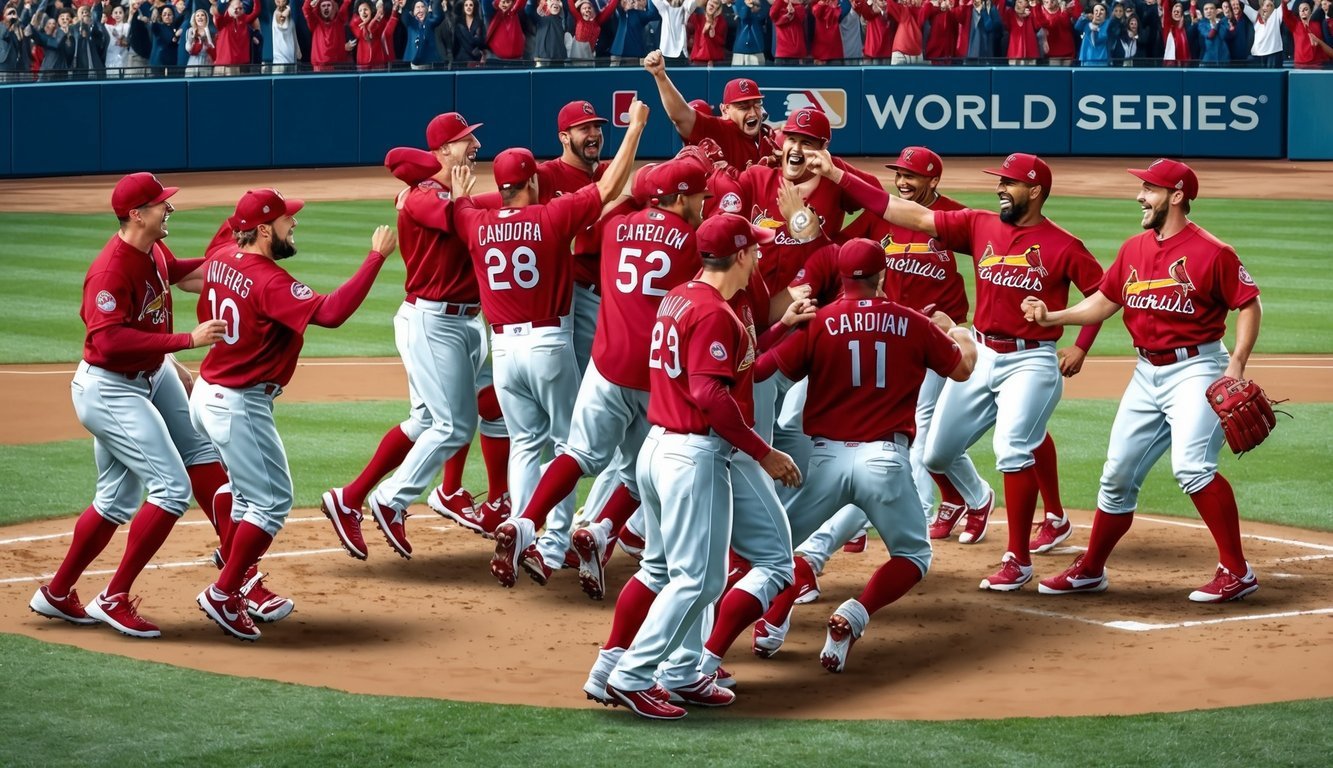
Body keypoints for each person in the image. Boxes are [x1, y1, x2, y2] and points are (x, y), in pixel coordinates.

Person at [810, 151, 1105, 592]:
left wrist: (1073, 337)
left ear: (1036, 191)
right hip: (982, 352)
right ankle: (998, 506)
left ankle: (1017, 558)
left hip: (1032, 359)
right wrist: (837, 174)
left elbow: (1103, 295)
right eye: (1000, 182)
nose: (1000, 188)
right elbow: (904, 212)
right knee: (935, 455)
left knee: (1012, 449)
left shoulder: (1064, 244)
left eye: (1009, 183)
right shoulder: (980, 224)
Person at [586, 214, 801, 720]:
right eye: (757, 250)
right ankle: (632, 676)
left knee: (680, 567)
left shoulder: (681, 294)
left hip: (664, 448)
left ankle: (681, 672)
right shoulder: (713, 314)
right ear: (742, 254)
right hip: (692, 452)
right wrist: (762, 451)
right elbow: (709, 394)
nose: (761, 258)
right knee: (697, 580)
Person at [1024, 159, 1264, 603]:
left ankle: (1237, 570)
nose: (1140, 196)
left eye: (1150, 189)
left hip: (1197, 369)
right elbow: (1103, 301)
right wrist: (1053, 316)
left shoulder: (1214, 252)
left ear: (1176, 196)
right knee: (1116, 475)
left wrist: (1236, 368)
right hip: (1145, 373)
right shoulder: (1134, 248)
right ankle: (1091, 569)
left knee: (1192, 467)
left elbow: (1248, 305)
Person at [28, 173, 235, 639]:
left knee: (130, 491)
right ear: (136, 215)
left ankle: (58, 593)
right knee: (170, 489)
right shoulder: (111, 270)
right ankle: (114, 596)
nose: (170, 210)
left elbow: (184, 275)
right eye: (161, 205)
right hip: (110, 389)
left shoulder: (154, 250)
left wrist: (236, 265)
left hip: (150, 374)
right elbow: (108, 339)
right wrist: (185, 341)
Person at [757, 239, 977, 672]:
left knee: (777, 549)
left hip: (823, 461)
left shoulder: (818, 322)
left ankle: (771, 621)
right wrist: (960, 332)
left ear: (840, 277)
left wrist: (783, 327)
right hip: (885, 461)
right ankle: (855, 614)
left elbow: (766, 371)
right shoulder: (913, 323)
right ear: (883, 277)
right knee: (913, 556)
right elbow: (963, 368)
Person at [491, 158, 706, 597]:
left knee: (576, 453)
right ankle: (605, 529)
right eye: (699, 196)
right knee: (641, 473)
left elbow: (611, 204)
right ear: (681, 198)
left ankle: (525, 520)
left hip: (605, 367)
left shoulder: (614, 228)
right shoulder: (692, 242)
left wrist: (631, 194)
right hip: (655, 377)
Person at [193, 189, 396, 641]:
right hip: (238, 403)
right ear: (264, 230)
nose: (294, 225)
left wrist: (248, 215)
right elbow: (332, 312)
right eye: (288, 220)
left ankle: (238, 575)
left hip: (208, 392)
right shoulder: (269, 282)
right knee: (272, 502)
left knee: (247, 499)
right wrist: (375, 257)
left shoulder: (224, 253)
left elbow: (230, 227)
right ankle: (224, 594)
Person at [461, 100, 649, 587]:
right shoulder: (550, 218)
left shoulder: (475, 222)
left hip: (501, 352)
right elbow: (607, 189)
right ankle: (550, 541)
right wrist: (639, 129)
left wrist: (455, 191)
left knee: (526, 444)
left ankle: (519, 524)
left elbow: (454, 207)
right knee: (571, 447)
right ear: (535, 180)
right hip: (547, 343)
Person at [322, 113, 496, 559]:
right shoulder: (420, 197)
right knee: (453, 425)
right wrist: (466, 198)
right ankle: (391, 499)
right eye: (464, 141)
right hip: (434, 322)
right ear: (441, 152)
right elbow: (461, 222)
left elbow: (474, 213)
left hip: (461, 322)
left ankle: (349, 498)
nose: (474, 146)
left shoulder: (438, 193)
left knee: (427, 421)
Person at [645, 52, 775, 170]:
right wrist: (661, 77)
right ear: (725, 110)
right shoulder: (719, 131)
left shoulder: (766, 135)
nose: (753, 113)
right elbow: (680, 116)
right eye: (743, 107)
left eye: (757, 105)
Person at [352, 0, 401, 68]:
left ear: (371, 11)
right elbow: (365, 36)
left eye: (365, 9)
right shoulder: (356, 24)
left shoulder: (379, 24)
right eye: (360, 10)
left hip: (379, 63)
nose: (363, 12)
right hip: (363, 64)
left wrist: (394, 12)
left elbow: (389, 30)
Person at [305, 0, 350, 70]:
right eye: (323, 6)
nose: (326, 8)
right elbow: (306, 8)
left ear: (334, 7)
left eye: (328, 5)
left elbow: (347, 2)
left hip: (338, 67)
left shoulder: (340, 19)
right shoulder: (314, 22)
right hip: (319, 67)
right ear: (319, 9)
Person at [214, 0, 257, 74]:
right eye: (235, 8)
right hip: (221, 65)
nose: (236, 10)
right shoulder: (223, 22)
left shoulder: (243, 21)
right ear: (229, 8)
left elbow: (256, 11)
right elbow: (219, 12)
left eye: (240, 8)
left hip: (236, 64)